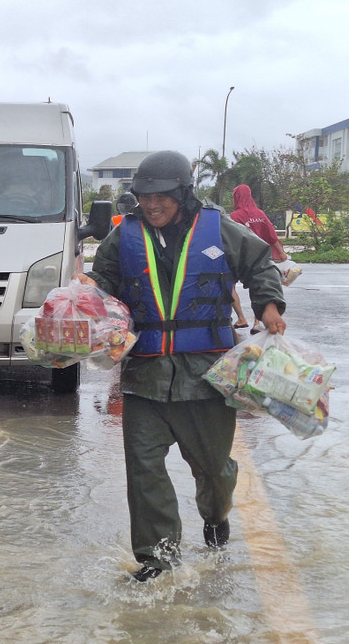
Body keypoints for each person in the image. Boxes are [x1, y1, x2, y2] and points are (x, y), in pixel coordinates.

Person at [73, 151, 286, 582]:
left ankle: (214, 515)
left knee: (213, 469)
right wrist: (91, 289)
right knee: (144, 469)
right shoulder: (124, 234)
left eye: (161, 197)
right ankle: (158, 560)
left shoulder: (218, 228)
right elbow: (106, 281)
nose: (151, 205)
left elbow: (260, 264)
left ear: (183, 193)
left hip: (207, 374)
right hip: (143, 376)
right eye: (144, 197)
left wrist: (268, 305)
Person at [230, 184, 297, 332]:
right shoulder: (260, 213)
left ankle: (241, 318)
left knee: (231, 287)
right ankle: (257, 323)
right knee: (260, 287)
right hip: (262, 256)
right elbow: (271, 234)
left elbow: (231, 239)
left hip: (241, 258)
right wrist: (282, 253)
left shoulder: (235, 217)